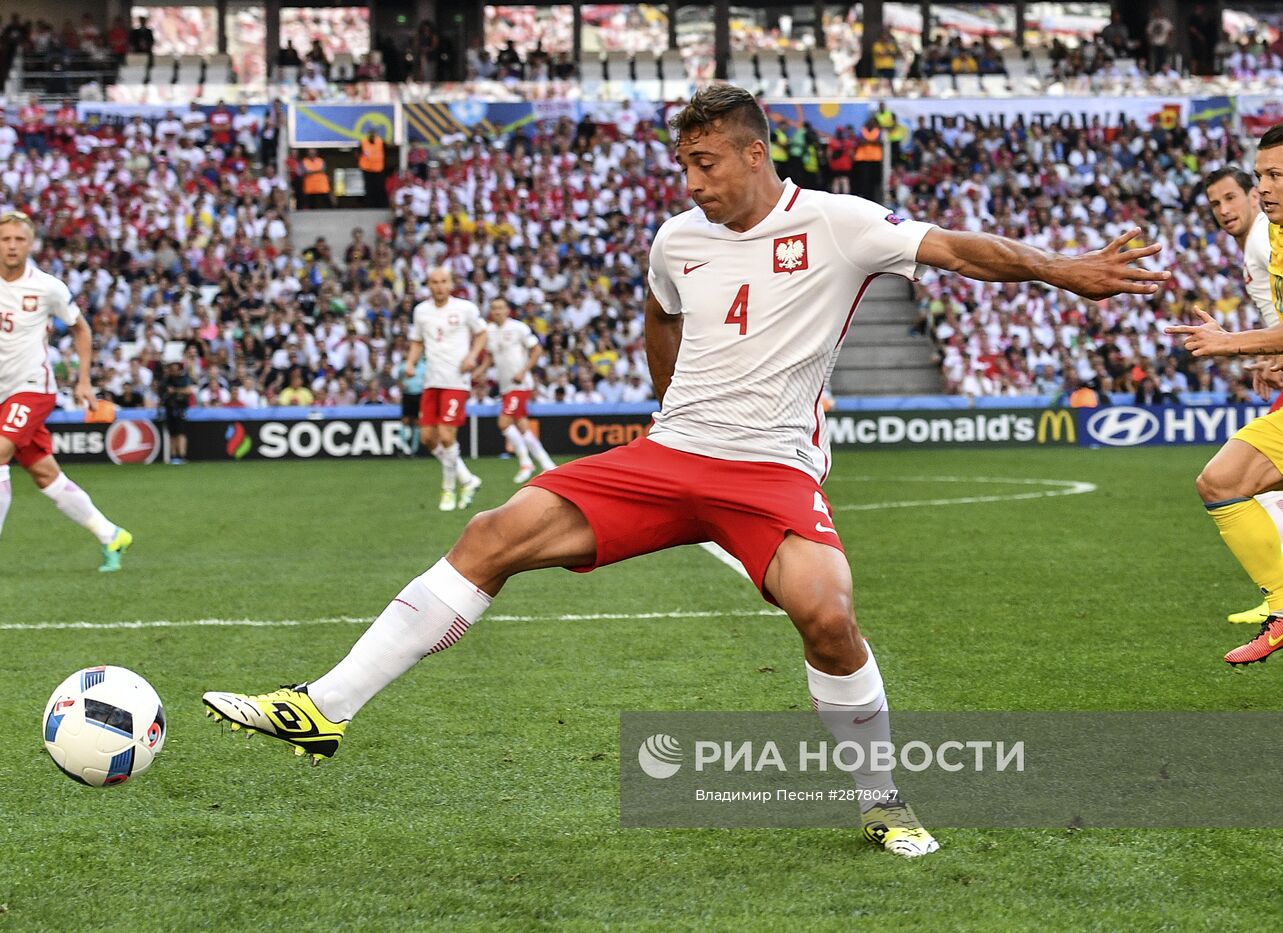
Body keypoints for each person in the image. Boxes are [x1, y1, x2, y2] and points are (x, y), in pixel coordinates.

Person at [203, 84, 1165, 858]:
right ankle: (323, 707)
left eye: (705, 163)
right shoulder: (677, 238)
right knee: (490, 536)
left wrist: (1061, 268)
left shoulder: (838, 222)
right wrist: (670, 406)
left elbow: (956, 249)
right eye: (683, 166)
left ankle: (883, 801)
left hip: (770, 473)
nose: (693, 183)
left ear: (755, 152)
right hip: (670, 455)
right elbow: (661, 309)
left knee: (828, 617)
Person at [1167, 121, 1283, 665]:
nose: (1264, 189)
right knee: (1220, 481)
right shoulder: (1280, 232)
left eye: (1275, 175)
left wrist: (1233, 343)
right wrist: (1280, 351)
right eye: (1259, 177)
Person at [0, 211, 133, 573]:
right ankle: (111, 534)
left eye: (20, 239)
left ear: (31, 244)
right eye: (6, 239)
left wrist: (83, 380)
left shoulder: (48, 287)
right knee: (45, 475)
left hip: (34, 388)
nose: (13, 246)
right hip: (1, 395)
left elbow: (81, 329)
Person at [1203, 165, 1283, 626]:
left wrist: (1255, 346)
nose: (1225, 210)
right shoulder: (1270, 239)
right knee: (1241, 479)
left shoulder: (1267, 239)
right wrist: (1278, 354)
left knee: (1251, 483)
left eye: (1232, 197)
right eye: (1215, 204)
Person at [404, 266, 485, 511]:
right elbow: (417, 341)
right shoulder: (421, 312)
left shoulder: (465, 308)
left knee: (447, 435)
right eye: (434, 282)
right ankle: (467, 479)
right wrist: (410, 362)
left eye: (443, 281)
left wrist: (472, 356)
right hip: (431, 381)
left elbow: (481, 333)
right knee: (428, 438)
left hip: (456, 381)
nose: (439, 286)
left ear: (451, 283)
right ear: (428, 285)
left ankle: (448, 490)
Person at [481, 296, 556, 483]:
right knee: (522, 426)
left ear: (507, 310)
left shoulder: (518, 328)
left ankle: (525, 462)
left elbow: (537, 350)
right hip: (506, 385)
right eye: (494, 308)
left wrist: (523, 371)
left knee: (504, 423)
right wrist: (479, 371)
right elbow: (490, 357)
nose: (497, 311)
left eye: (500, 307)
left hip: (519, 384)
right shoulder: (489, 331)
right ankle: (547, 464)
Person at [159, 360, 192, 463]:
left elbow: (189, 390)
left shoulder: (183, 379)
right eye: (171, 369)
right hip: (169, 409)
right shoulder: (165, 381)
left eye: (175, 369)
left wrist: (175, 391)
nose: (173, 371)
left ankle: (182, 455)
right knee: (172, 433)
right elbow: (162, 393)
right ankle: (174, 456)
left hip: (180, 409)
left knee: (181, 432)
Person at [358, 128, 387, 209]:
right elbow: (358, 153)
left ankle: (380, 205)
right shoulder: (363, 142)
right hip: (367, 169)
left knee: (379, 188)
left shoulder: (381, 142)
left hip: (378, 170)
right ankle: (370, 206)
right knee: (369, 189)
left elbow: (386, 153)